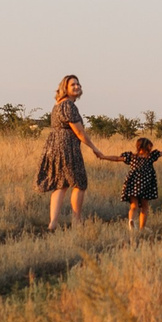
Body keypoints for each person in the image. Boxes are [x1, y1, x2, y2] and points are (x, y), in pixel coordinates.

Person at [36, 73, 115, 230]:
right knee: (79, 183)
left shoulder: (58, 105)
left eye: (78, 84)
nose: (77, 86)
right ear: (65, 88)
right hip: (67, 147)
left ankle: (53, 223)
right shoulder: (68, 106)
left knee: (60, 184)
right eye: (73, 85)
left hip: (53, 147)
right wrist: (95, 149)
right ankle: (77, 220)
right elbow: (79, 132)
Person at [115, 132, 162, 231]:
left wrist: (102, 156)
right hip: (146, 184)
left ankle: (131, 220)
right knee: (144, 206)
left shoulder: (131, 157)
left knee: (134, 206)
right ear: (147, 147)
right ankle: (142, 228)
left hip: (132, 184)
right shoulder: (150, 156)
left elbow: (116, 158)